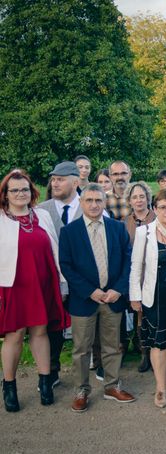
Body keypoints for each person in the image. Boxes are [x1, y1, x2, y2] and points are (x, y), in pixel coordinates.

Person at [59, 184, 135, 413]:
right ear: (82, 203)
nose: (94, 205)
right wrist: (90, 291)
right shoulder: (69, 231)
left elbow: (127, 261)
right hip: (85, 299)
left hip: (113, 297)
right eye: (89, 200)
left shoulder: (117, 228)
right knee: (82, 349)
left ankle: (112, 386)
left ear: (105, 203)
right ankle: (81, 390)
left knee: (112, 346)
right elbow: (66, 266)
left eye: (98, 200)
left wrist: (118, 289)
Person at [0, 170, 68, 412]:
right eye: (15, 190)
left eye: (25, 189)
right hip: (14, 286)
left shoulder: (41, 215)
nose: (21, 193)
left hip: (43, 284)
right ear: (6, 195)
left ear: (32, 192)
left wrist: (61, 282)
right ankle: (9, 386)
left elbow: (55, 248)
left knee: (41, 332)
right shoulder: (1, 219)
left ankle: (45, 382)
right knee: (15, 335)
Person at [129, 189, 166, 408]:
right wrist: (135, 296)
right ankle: (161, 389)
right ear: (155, 209)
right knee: (159, 344)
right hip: (155, 294)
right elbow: (137, 266)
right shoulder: (145, 232)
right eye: (162, 207)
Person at [38, 161, 83, 387]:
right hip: (51, 279)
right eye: (53, 179)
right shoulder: (40, 211)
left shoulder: (90, 207)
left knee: (84, 325)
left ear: (75, 182)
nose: (54, 183)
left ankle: (87, 370)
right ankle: (52, 370)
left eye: (60, 179)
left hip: (83, 280)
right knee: (52, 325)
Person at [123, 181, 156, 372]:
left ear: (147, 198)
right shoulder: (125, 223)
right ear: (129, 200)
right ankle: (145, 353)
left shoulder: (156, 217)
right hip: (136, 274)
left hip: (155, 272)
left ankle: (158, 348)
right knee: (140, 316)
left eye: (142, 196)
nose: (138, 200)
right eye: (134, 197)